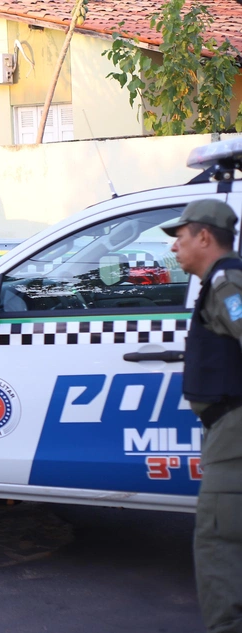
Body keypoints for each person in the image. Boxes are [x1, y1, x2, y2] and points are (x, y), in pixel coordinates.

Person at [163, 199, 242, 633]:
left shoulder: (228, 283)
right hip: (226, 429)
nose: (176, 248)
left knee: (219, 545)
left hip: (235, 435)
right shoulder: (221, 281)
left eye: (181, 237)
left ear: (204, 237)